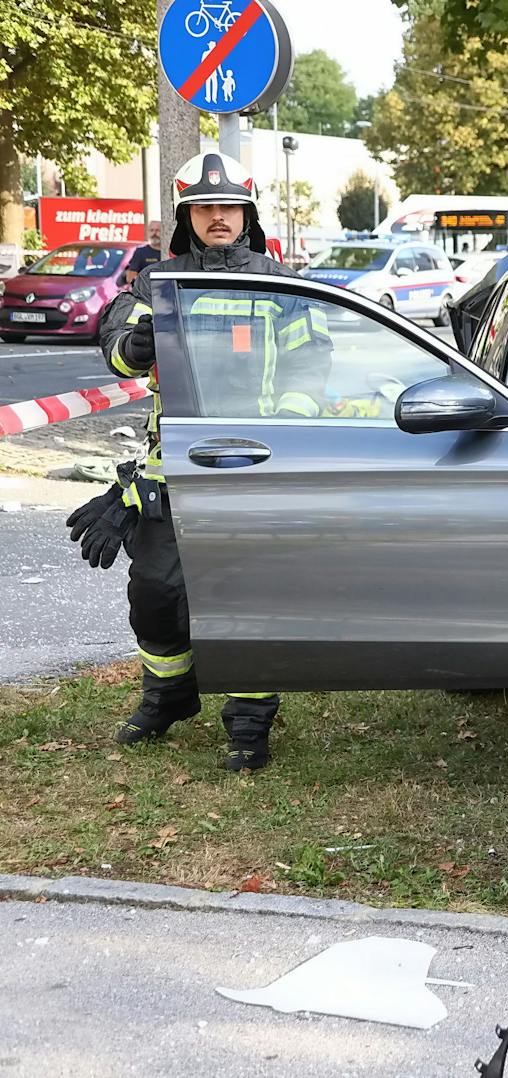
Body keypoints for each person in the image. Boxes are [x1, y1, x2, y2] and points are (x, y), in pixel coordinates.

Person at [67, 151, 332, 771]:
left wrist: (284, 436)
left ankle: (248, 725)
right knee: (155, 594)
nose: (219, 217)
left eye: (230, 207)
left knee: (247, 600)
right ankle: (169, 696)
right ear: (188, 214)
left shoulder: (275, 281)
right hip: (176, 468)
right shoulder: (157, 280)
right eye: (207, 207)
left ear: (247, 213)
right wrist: (132, 343)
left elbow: (311, 364)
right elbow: (117, 349)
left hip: (254, 468)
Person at [122, 220, 163, 287]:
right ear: (147, 232)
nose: (154, 233)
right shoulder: (140, 252)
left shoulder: (169, 253)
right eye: (151, 230)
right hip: (146, 293)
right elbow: (130, 278)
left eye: (157, 230)